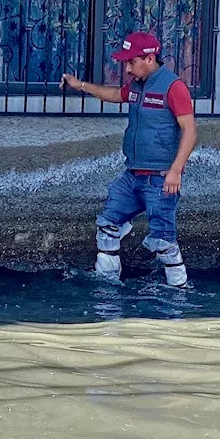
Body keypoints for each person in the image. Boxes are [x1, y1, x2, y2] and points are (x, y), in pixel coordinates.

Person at [60, 32, 198, 288]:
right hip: (132, 175)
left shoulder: (173, 86)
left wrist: (176, 171)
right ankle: (106, 285)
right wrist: (79, 85)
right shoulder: (136, 85)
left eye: (130, 62)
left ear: (148, 59)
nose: (126, 68)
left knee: (163, 241)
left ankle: (178, 293)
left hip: (161, 179)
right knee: (108, 224)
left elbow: (190, 130)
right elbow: (113, 95)